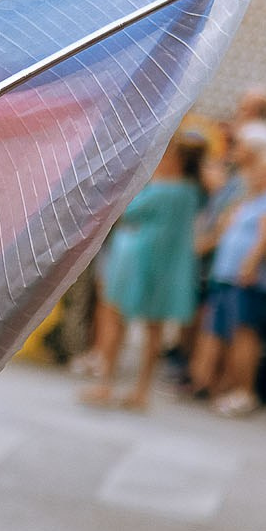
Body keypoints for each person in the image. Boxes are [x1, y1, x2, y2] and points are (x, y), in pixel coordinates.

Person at [83, 132, 206, 411]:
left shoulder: (163, 189)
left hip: (138, 258)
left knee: (115, 319)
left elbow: (130, 211)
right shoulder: (192, 192)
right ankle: (141, 390)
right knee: (155, 328)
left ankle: (106, 383)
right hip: (168, 264)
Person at [204, 154, 266, 417]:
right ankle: (226, 385)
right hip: (230, 274)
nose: (256, 175)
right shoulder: (257, 198)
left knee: (245, 334)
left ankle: (244, 391)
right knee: (229, 332)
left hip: (250, 277)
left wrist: (251, 264)